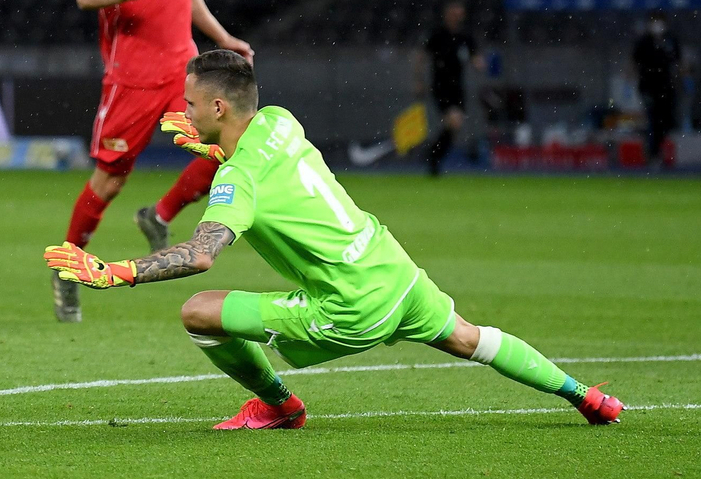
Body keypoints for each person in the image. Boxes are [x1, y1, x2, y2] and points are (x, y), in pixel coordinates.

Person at [45, 50, 624, 429]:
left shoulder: (236, 181)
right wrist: (211, 143)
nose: (185, 112)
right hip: (391, 269)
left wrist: (116, 272)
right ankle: (586, 397)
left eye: (191, 105)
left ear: (218, 107)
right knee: (468, 337)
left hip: (350, 305)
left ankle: (280, 407)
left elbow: (200, 255)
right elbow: (260, 159)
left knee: (199, 312)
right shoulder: (280, 120)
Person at [59, 0, 253, 323]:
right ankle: (68, 267)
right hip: (131, 79)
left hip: (183, 74)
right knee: (110, 181)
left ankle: (160, 215)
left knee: (226, 152)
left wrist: (223, 38)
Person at [414, 0, 483, 176]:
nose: (457, 17)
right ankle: (433, 156)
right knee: (454, 121)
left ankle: (434, 156)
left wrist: (479, 63)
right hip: (441, 86)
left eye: (459, 14)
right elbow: (421, 57)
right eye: (454, 14)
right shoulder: (437, 34)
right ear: (447, 14)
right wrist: (419, 81)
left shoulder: (465, 36)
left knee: (454, 126)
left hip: (458, 88)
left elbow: (476, 57)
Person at [632, 11, 682, 166]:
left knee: (666, 121)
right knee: (653, 120)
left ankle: (657, 149)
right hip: (648, 87)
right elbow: (635, 62)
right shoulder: (644, 42)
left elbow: (677, 61)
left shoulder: (670, 40)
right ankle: (652, 153)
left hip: (666, 88)